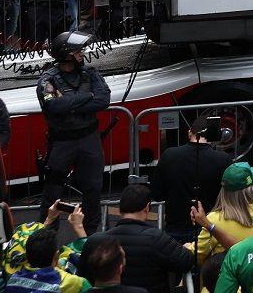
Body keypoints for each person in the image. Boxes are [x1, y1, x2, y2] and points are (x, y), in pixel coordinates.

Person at [38, 29, 110, 224]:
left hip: (89, 139)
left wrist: (70, 103)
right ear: (66, 54)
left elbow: (103, 100)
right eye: (78, 51)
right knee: (53, 192)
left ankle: (90, 237)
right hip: (62, 142)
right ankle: (45, 238)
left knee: (93, 189)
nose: (82, 54)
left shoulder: (91, 73)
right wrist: (87, 97)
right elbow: (54, 105)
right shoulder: (48, 80)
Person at [95, 182, 197, 293]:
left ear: (120, 208)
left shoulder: (98, 241)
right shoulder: (157, 238)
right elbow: (187, 261)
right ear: (147, 208)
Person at [149, 118, 232, 242]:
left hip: (176, 228)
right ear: (214, 136)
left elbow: (157, 194)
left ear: (189, 133)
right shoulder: (223, 159)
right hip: (209, 228)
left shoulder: (169, 155)